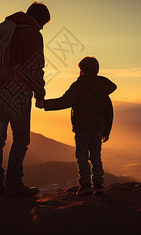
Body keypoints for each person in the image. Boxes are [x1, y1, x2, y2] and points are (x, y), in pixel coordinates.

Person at [0, 2, 49, 198]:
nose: (42, 28)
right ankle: (14, 183)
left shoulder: (6, 28)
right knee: (21, 138)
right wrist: (40, 94)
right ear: (39, 19)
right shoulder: (31, 34)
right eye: (43, 24)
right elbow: (34, 69)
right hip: (18, 95)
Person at [36, 56, 116, 195]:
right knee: (96, 157)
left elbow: (65, 101)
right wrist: (106, 131)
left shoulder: (79, 85)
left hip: (82, 129)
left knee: (82, 157)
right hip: (97, 129)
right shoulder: (103, 89)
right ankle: (98, 185)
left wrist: (45, 104)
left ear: (82, 71)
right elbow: (109, 112)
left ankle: (85, 185)